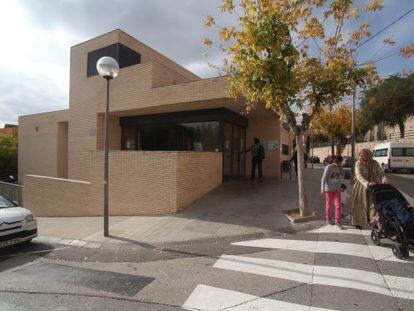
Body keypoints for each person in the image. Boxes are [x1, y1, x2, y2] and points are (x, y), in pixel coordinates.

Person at [351, 148, 387, 229]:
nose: (364, 157)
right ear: (359, 156)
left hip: (375, 186)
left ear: (369, 155)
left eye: (366, 155)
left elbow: (381, 173)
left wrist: (384, 180)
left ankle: (374, 222)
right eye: (362, 155)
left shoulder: (375, 163)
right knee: (359, 205)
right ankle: (358, 222)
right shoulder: (358, 163)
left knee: (374, 205)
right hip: (360, 186)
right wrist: (367, 183)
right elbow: (359, 175)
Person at [321, 155, 344, 227]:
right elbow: (323, 178)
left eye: (341, 163)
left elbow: (342, 174)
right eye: (339, 162)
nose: (340, 164)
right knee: (329, 204)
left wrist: (341, 168)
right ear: (335, 161)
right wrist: (322, 188)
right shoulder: (328, 167)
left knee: (338, 205)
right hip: (329, 189)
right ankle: (328, 218)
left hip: (337, 189)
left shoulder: (339, 167)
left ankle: (337, 220)